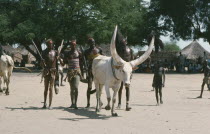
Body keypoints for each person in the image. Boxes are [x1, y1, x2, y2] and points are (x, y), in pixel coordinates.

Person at [60, 38, 83, 109]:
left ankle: (75, 103)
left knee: (76, 87)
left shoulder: (79, 53)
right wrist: (59, 60)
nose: (73, 46)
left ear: (76, 45)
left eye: (74, 45)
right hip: (70, 72)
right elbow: (63, 64)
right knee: (71, 88)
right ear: (70, 45)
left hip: (77, 71)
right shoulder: (67, 53)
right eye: (72, 45)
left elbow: (82, 62)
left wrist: (82, 73)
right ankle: (72, 103)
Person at [84, 37, 103, 108]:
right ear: (89, 43)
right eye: (91, 42)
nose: (93, 43)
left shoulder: (99, 49)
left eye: (94, 42)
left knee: (99, 86)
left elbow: (103, 57)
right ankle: (88, 103)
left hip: (98, 70)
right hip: (90, 70)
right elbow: (84, 61)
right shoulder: (86, 52)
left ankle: (99, 102)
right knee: (89, 87)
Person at [41, 39, 59, 109]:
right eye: (49, 44)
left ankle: (50, 104)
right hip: (46, 71)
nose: (50, 45)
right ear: (47, 44)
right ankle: (45, 103)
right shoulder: (44, 52)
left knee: (51, 88)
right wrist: (42, 62)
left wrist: (59, 58)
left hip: (53, 71)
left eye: (51, 44)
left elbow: (58, 63)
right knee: (45, 88)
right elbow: (41, 65)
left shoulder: (55, 52)